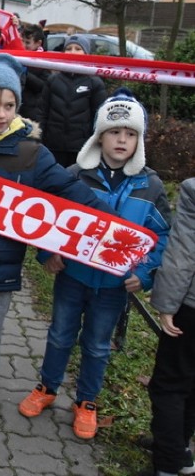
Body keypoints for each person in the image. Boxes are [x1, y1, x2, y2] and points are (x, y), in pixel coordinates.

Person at [0, 53, 112, 455]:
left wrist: (113, 223)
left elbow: (71, 196)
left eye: (9, 105)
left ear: (18, 106)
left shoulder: (32, 154)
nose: (0, 113)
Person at [19, 91, 170, 439]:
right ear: (99, 134)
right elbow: (49, 218)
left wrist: (144, 273)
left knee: (98, 344)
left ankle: (87, 401)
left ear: (139, 140)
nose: (122, 139)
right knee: (59, 335)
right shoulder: (75, 174)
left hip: (114, 286)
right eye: (115, 131)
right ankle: (47, 387)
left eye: (130, 134)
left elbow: (161, 234)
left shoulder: (151, 186)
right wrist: (47, 253)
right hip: (73, 276)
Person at [146, 178, 195, 476]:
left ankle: (166, 466)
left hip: (190, 307)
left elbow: (183, 254)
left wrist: (166, 305)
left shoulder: (192, 190)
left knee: (169, 385)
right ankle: (181, 450)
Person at [38, 34, 107, 167]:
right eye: (69, 48)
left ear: (86, 53)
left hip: (81, 148)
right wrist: (39, 139)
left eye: (77, 48)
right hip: (53, 146)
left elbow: (99, 117)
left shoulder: (95, 83)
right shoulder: (53, 80)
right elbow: (42, 112)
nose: (72, 52)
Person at [18, 23, 50, 121]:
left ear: (38, 43)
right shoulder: (18, 56)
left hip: (31, 112)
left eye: (27, 42)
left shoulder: (44, 61)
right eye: (22, 41)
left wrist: (26, 74)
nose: (23, 45)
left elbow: (43, 85)